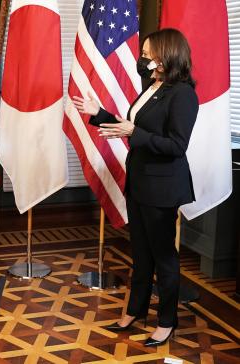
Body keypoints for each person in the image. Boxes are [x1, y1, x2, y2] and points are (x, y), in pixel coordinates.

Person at [73, 28, 198, 347]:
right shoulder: (153, 86)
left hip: (163, 189)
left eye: (147, 53)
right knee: (141, 255)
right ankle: (135, 311)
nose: (142, 59)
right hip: (139, 183)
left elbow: (176, 146)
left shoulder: (182, 93)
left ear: (165, 55)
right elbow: (134, 127)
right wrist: (97, 114)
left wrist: (134, 133)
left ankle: (167, 321)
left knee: (164, 257)